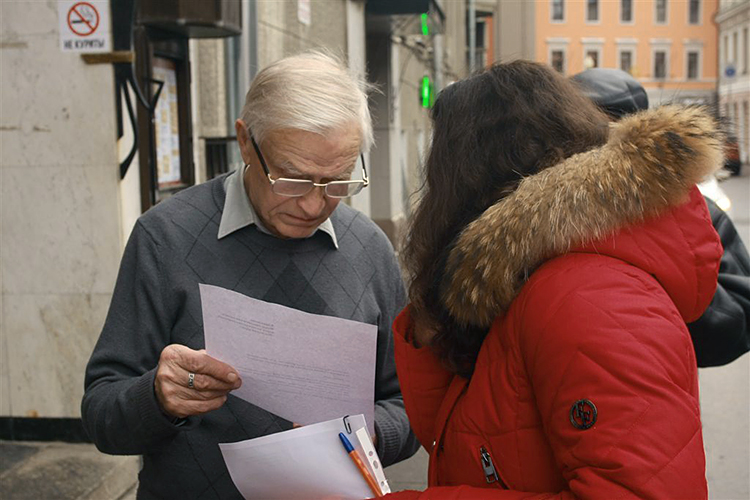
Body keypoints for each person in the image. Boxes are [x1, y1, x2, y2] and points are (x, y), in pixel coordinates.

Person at [82, 51, 419, 499]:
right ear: (245, 142)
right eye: (294, 179)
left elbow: (412, 406)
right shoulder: (165, 238)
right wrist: (158, 398)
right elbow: (103, 414)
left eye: (337, 182)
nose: (314, 205)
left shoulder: (369, 248)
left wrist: (365, 436)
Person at [385, 60, 723, 498]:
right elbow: (475, 439)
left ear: (466, 178)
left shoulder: (586, 296)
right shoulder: (527, 273)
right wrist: (439, 317)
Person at [572, 67, 750, 368]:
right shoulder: (539, 210)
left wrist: (666, 284)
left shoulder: (695, 212)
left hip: (651, 383)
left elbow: (736, 324)